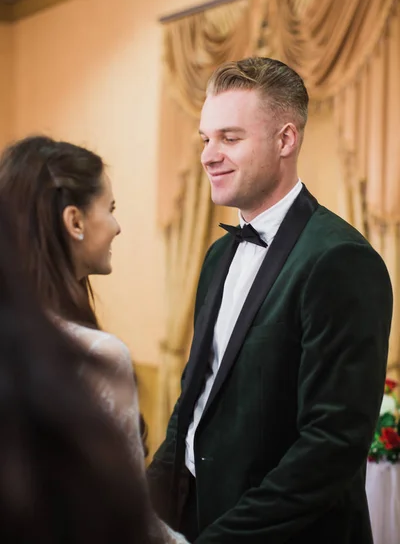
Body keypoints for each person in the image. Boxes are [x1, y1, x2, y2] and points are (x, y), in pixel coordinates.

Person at [148, 57, 393, 543]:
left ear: (286, 140)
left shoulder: (340, 259)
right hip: (198, 513)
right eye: (205, 139)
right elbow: (197, 397)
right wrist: (145, 504)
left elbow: (330, 446)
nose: (209, 155)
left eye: (230, 138)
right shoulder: (219, 254)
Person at [0, 136, 188, 544]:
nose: (118, 226)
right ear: (75, 221)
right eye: (112, 209)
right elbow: (132, 525)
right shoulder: (96, 355)